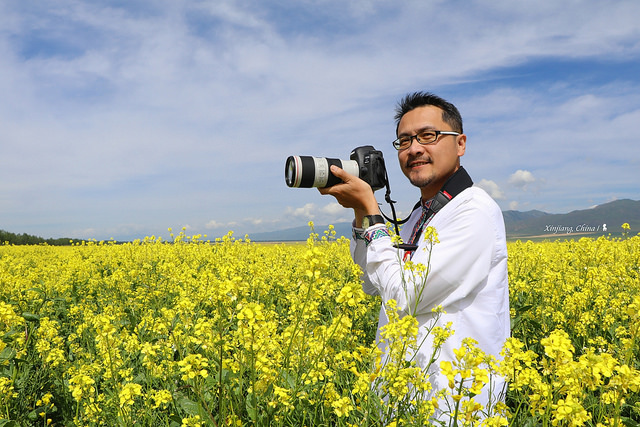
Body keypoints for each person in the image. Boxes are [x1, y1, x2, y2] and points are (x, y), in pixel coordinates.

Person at [319, 91, 510, 418]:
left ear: (460, 143)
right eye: (404, 141)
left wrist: (371, 209)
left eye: (428, 136)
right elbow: (374, 284)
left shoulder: (473, 211)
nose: (414, 149)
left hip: (453, 407)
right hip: (405, 401)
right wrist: (360, 214)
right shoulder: (423, 215)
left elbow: (405, 295)